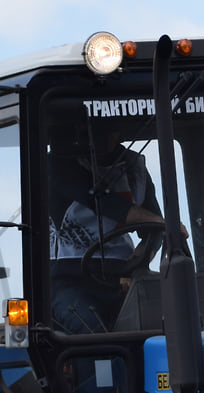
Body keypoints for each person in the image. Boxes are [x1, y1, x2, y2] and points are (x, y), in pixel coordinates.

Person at [48, 129, 167, 334]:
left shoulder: (134, 168)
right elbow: (104, 202)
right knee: (91, 330)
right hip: (70, 281)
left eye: (107, 126)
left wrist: (136, 269)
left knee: (170, 319)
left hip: (123, 278)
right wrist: (162, 222)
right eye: (92, 126)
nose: (100, 132)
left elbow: (154, 231)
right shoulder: (58, 165)